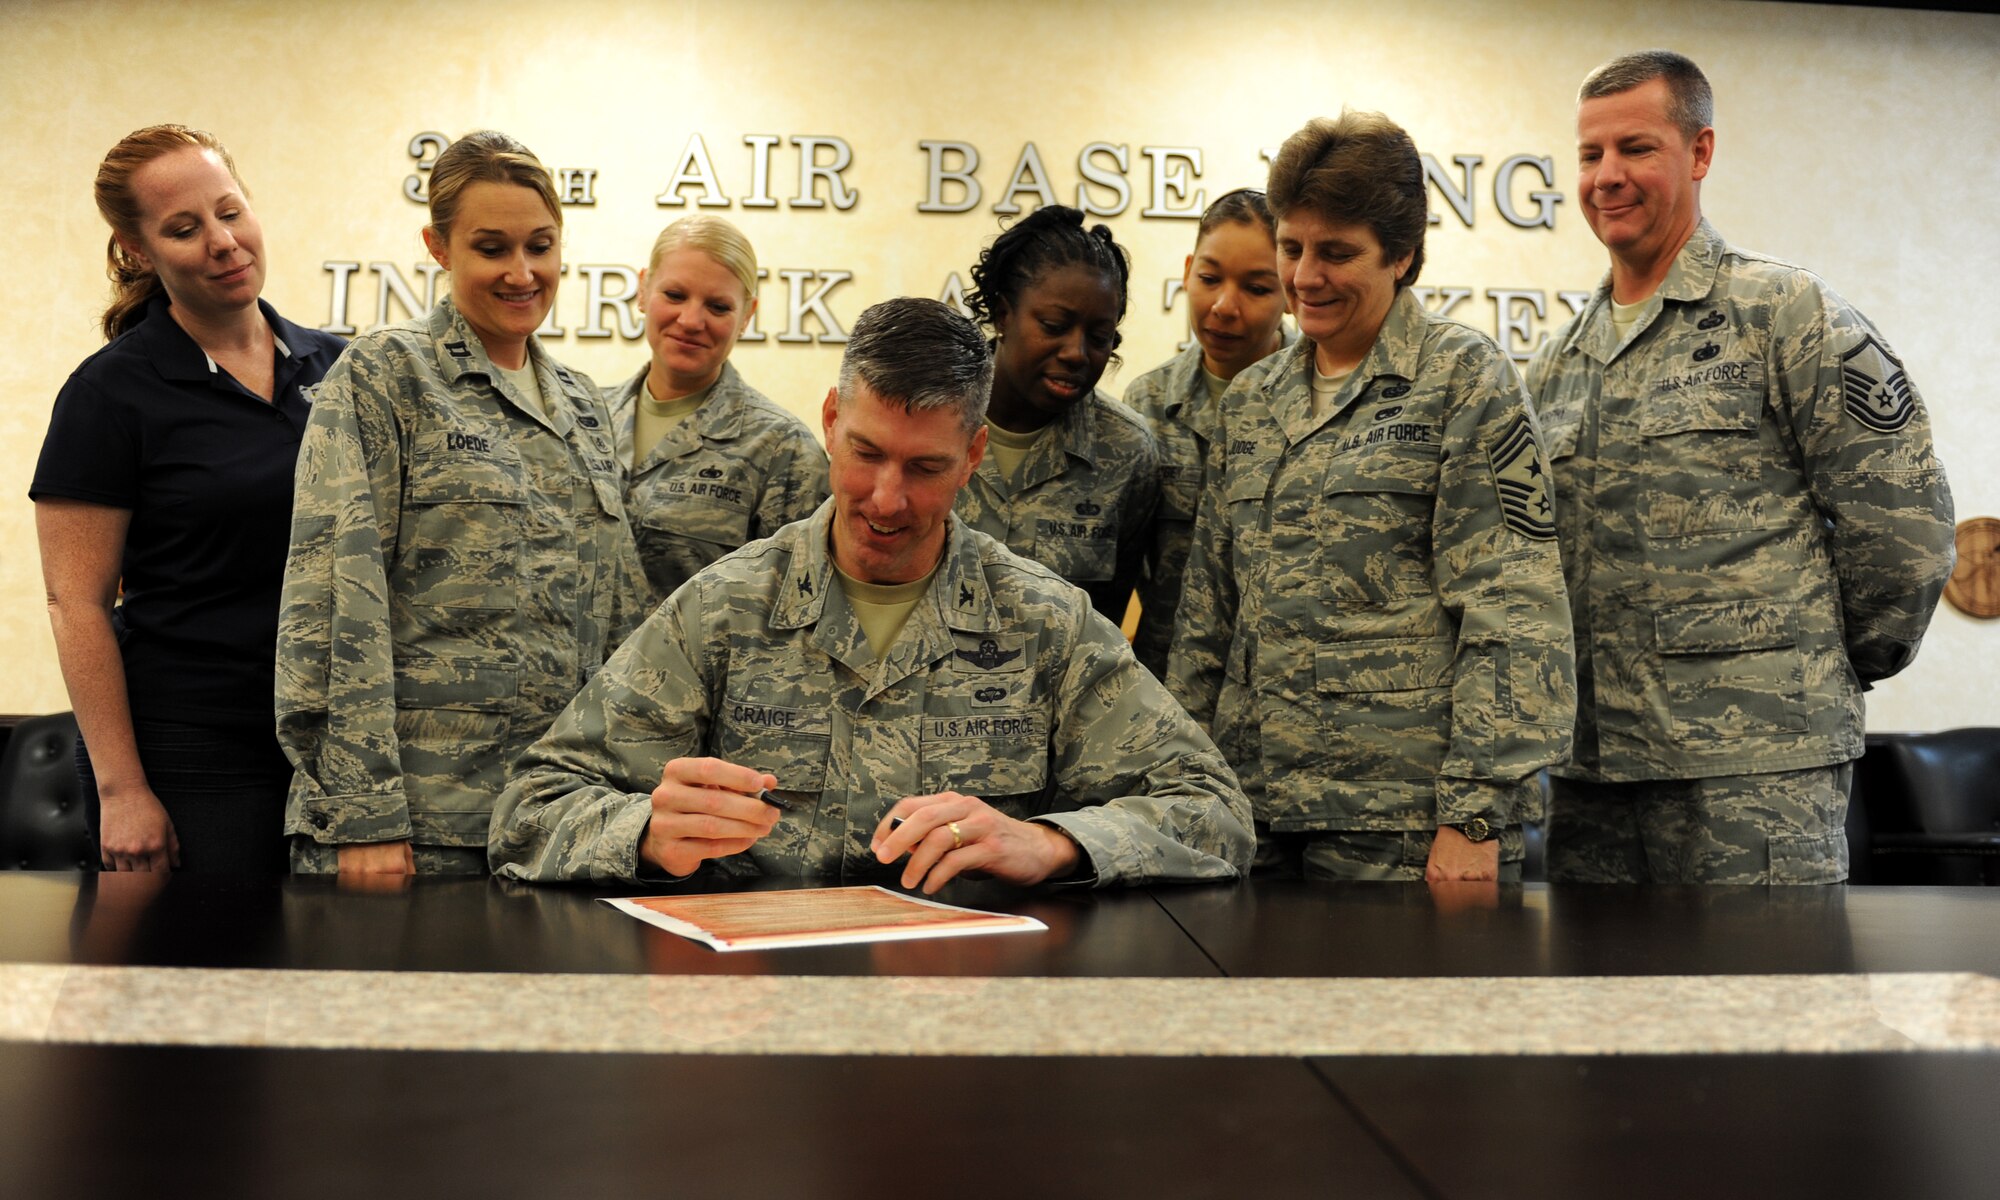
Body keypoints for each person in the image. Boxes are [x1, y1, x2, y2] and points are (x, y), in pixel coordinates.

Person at [489, 297, 1252, 889]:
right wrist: (645, 833)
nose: (886, 500)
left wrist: (1050, 844)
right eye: (865, 453)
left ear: (973, 456)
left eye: (925, 468)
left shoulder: (1042, 623)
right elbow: (530, 812)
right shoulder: (725, 609)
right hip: (761, 1019)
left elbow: (1215, 814)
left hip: (967, 1024)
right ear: (830, 421)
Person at [1526, 51, 1955, 884]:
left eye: (1636, 148)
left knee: (1768, 1009)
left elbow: (1904, 534)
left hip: (1754, 775)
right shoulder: (1557, 363)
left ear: (1699, 153)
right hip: (1595, 780)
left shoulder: (1783, 315)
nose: (1607, 176)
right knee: (1599, 1016)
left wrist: (1810, 670)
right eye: (1590, 154)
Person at [1168, 112, 1576, 883]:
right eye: (1292, 248)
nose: (1305, 276)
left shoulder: (1463, 379)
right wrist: (1187, 793)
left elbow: (1512, 608)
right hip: (1254, 816)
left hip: (1404, 829)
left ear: (1402, 256)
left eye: (1336, 253)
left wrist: (1477, 814)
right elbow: (1206, 622)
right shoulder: (1252, 401)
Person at [277, 130, 644, 876]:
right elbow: (335, 602)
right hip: (422, 827)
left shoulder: (583, 403)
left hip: (562, 824)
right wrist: (362, 816)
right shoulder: (386, 375)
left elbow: (619, 615)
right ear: (439, 247)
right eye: (492, 247)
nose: (522, 272)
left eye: (540, 246)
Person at [31, 125, 346, 875]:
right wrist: (123, 789)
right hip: (189, 752)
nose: (222, 242)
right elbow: (75, 603)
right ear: (136, 251)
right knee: (189, 987)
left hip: (333, 743)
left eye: (230, 212)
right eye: (184, 228)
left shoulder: (340, 368)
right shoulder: (108, 393)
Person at [952, 205, 1160, 626]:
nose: (1076, 353)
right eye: (1053, 325)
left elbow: (1113, 624)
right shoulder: (929, 420)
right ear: (1003, 314)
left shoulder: (1126, 453)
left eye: (1099, 337)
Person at [611, 215, 827, 603]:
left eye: (718, 306)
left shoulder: (784, 450)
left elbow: (799, 607)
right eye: (675, 295)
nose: (691, 320)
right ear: (643, 290)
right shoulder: (583, 418)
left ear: (747, 315)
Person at [1123, 188, 1292, 677]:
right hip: (1169, 680)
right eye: (1209, 278)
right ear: (1187, 270)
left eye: (1257, 288)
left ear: (1289, 293)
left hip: (1289, 685)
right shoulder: (1149, 405)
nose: (1223, 305)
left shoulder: (1328, 400)